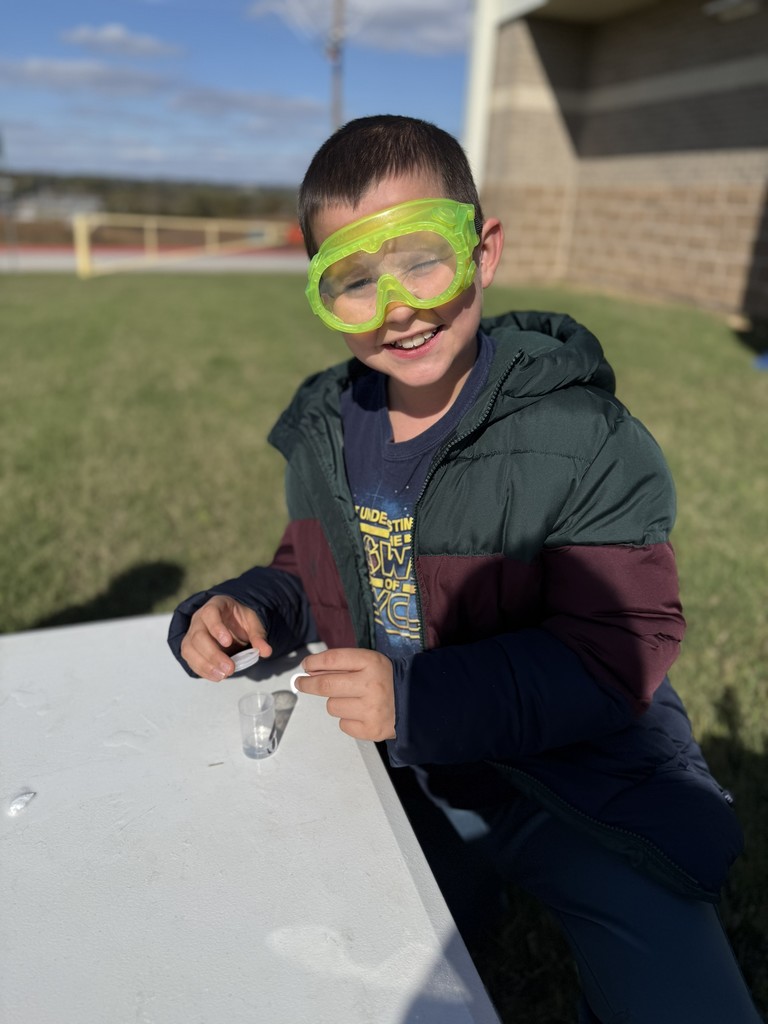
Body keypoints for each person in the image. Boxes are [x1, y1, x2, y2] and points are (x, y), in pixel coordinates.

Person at [168, 114, 762, 1023]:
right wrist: (254, 602)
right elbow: (316, 563)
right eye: (355, 282)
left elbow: (617, 652)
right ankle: (463, 895)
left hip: (571, 780)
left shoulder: (586, 439)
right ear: (322, 294)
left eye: (423, 260)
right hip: (409, 774)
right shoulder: (328, 428)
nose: (398, 306)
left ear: (483, 252)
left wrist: (417, 700)